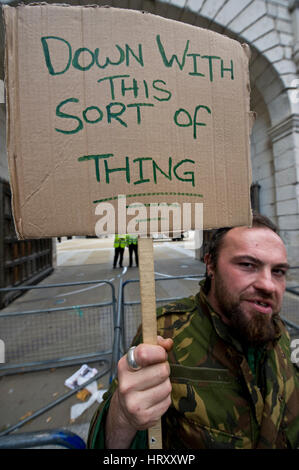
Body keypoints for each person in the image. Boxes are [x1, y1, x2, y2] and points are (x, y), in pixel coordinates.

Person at [88, 214, 299, 449]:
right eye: (248, 265)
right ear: (210, 265)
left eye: (278, 271)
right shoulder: (164, 335)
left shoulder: (281, 335)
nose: (268, 284)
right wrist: (123, 416)